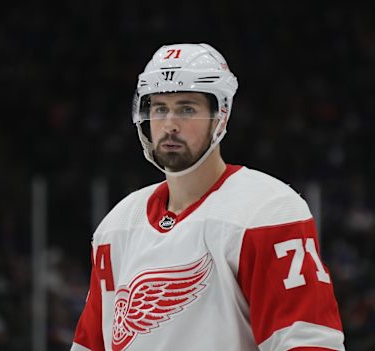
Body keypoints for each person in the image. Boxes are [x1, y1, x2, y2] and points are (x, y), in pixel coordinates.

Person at [71, 43, 345, 351]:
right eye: (160, 108)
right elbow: (90, 344)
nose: (170, 124)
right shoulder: (118, 225)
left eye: (187, 109)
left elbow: (308, 342)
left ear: (221, 116)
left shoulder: (267, 210)